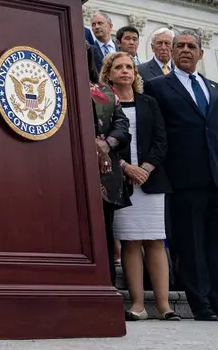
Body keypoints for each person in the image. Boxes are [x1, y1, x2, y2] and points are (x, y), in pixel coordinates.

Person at [143, 29, 218, 322]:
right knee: (191, 243)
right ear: (172, 51)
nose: (185, 50)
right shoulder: (156, 87)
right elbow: (156, 133)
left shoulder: (217, 90)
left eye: (191, 46)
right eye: (180, 46)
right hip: (183, 179)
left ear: (201, 54)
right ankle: (200, 303)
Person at [100, 51, 175, 321]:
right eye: (118, 67)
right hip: (121, 182)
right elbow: (102, 142)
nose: (125, 71)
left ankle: (164, 305)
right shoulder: (104, 104)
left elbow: (161, 140)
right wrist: (126, 168)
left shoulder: (149, 103)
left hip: (151, 180)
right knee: (130, 243)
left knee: (155, 241)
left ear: (135, 73)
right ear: (108, 74)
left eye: (129, 66)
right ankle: (138, 305)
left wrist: (145, 168)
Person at [89, 57, 130, 289]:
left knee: (104, 230)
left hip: (104, 172)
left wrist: (108, 143)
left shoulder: (105, 90)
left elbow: (122, 124)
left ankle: (107, 288)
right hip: (66, 171)